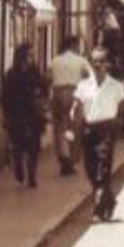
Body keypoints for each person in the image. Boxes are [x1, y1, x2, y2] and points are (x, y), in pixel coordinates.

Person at [74, 50, 124, 222]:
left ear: (108, 64)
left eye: (102, 61)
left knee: (102, 171)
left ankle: (97, 210)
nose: (98, 65)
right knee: (90, 169)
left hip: (107, 130)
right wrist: (72, 123)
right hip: (89, 130)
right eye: (95, 62)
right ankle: (109, 200)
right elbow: (76, 105)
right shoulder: (83, 85)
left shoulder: (116, 86)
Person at [0, 43, 49, 188]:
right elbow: (5, 95)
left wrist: (40, 95)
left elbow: (44, 89)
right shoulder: (12, 74)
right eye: (29, 55)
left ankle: (32, 175)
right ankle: (19, 168)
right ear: (21, 56)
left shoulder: (35, 73)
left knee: (34, 147)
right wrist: (7, 112)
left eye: (33, 55)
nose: (31, 58)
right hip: (17, 114)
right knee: (18, 145)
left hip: (33, 114)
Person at [48, 36, 91, 176]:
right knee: (74, 127)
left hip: (58, 93)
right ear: (73, 46)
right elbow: (90, 77)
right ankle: (71, 159)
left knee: (60, 127)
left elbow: (48, 78)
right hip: (75, 93)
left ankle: (64, 157)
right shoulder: (81, 61)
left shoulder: (54, 61)